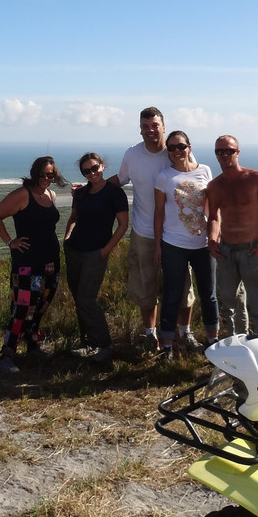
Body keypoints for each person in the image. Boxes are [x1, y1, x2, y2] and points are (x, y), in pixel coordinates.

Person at [110, 107, 198, 353]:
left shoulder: (176, 152)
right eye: (145, 126)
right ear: (140, 129)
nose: (150, 131)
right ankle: (150, 335)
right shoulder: (132, 154)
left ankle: (185, 334)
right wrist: (90, 186)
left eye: (154, 125)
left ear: (163, 126)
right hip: (143, 232)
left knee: (182, 285)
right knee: (145, 284)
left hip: (175, 233)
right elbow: (120, 179)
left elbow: (195, 180)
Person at [0, 156, 69, 373]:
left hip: (50, 262)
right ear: (34, 174)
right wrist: (10, 242)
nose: (46, 178)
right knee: (22, 308)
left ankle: (33, 345)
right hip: (27, 264)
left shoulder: (51, 195)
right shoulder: (22, 195)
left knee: (42, 304)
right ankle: (7, 354)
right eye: (42, 174)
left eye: (50, 174)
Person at [206, 135, 258, 339]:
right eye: (219, 151)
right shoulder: (214, 186)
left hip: (252, 250)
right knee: (230, 306)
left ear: (237, 152)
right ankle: (237, 349)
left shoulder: (257, 179)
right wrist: (212, 241)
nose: (224, 155)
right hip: (226, 252)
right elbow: (213, 217)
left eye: (229, 150)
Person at [153, 131, 219, 356]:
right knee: (172, 294)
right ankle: (168, 346)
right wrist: (158, 245)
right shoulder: (164, 177)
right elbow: (159, 214)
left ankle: (213, 342)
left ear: (189, 147)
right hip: (173, 244)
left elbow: (213, 207)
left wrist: (215, 235)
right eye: (171, 148)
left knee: (208, 294)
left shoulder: (205, 171)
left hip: (203, 244)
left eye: (180, 146)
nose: (176, 151)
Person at [63, 152, 129, 364]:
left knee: (86, 298)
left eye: (94, 168)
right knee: (78, 298)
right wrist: (66, 238)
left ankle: (105, 344)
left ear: (102, 166)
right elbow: (74, 218)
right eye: (86, 171)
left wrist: (105, 250)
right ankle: (87, 342)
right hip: (75, 250)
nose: (92, 173)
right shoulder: (81, 193)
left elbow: (123, 225)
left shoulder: (114, 193)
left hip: (95, 253)